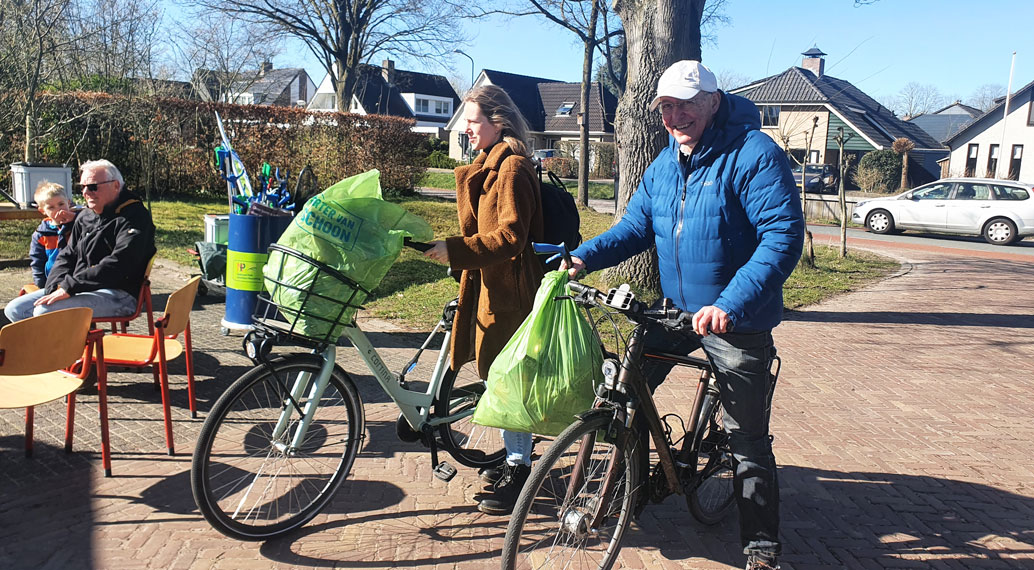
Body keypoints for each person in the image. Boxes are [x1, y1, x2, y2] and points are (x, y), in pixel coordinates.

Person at [563, 61, 804, 570]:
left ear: (713, 102)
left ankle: (761, 547)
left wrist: (729, 304)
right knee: (623, 393)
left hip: (735, 317)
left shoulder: (754, 155)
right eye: (666, 107)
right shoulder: (664, 163)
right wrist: (584, 256)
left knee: (747, 439)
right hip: (676, 309)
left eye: (686, 104)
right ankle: (625, 485)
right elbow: (633, 228)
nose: (675, 116)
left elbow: (781, 238)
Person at [423, 85, 544, 515]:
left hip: (511, 293)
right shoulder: (489, 166)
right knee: (499, 376)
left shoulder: (510, 169)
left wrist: (456, 250)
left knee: (509, 383)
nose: (467, 130)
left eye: (473, 122)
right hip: (491, 288)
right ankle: (511, 460)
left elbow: (512, 237)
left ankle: (519, 469)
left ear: (499, 122)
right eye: (466, 123)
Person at [4, 159, 156, 324]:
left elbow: (120, 263)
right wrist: (54, 286)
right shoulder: (86, 215)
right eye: (81, 187)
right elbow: (68, 254)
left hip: (119, 293)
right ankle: (56, 348)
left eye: (92, 187)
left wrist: (70, 286)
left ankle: (64, 347)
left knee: (44, 311)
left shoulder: (135, 217)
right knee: (15, 310)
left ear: (116, 186)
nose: (86, 192)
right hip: (81, 288)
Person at [28, 181, 79, 289]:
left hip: (75, 279)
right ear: (42, 210)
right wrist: (41, 285)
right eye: (51, 207)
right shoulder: (41, 235)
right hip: (51, 282)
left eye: (61, 204)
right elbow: (37, 262)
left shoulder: (78, 225)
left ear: (68, 203)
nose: (58, 209)